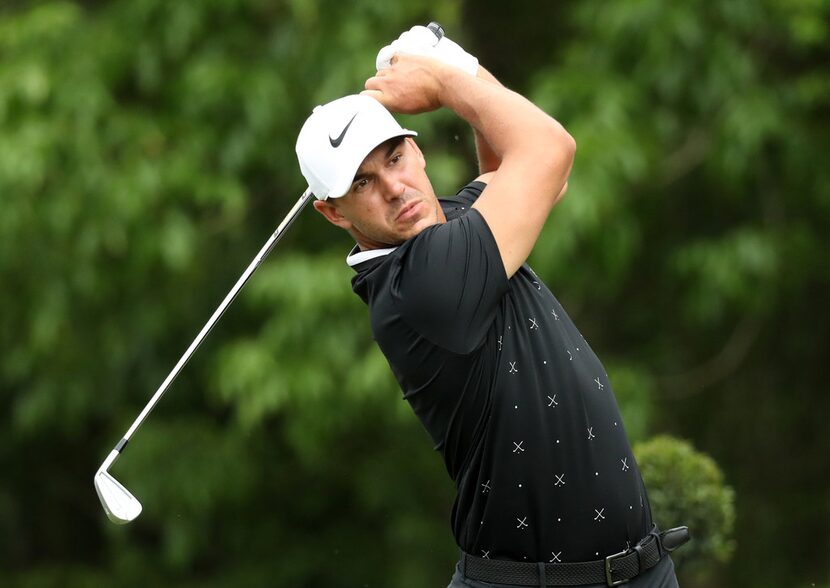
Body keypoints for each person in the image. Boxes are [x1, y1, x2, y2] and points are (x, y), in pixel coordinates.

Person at [295, 24, 687, 588]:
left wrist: (461, 64)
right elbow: (551, 148)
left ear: (418, 148)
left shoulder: (447, 228)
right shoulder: (421, 284)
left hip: (639, 573)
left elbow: (525, 172)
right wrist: (448, 78)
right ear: (333, 214)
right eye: (362, 183)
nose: (396, 189)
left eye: (395, 157)